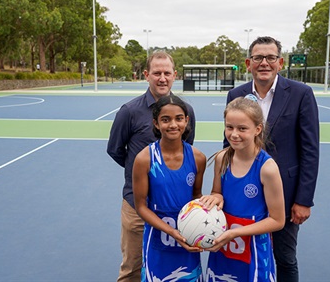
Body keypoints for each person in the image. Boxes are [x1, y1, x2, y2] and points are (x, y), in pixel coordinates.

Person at [225, 36, 320, 282]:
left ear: (280, 62)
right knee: (243, 254)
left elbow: (310, 149)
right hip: (243, 196)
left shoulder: (301, 94)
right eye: (258, 58)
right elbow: (229, 144)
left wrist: (303, 199)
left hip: (286, 196)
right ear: (249, 63)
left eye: (270, 58)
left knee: (285, 258)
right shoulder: (237, 94)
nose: (264, 63)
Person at [107, 51, 196, 281]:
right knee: (132, 268)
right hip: (138, 207)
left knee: (174, 268)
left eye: (167, 73)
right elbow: (116, 150)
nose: (162, 78)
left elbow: (186, 151)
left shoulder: (186, 111)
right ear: (147, 75)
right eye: (157, 73)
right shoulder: (130, 111)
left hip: (174, 207)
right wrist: (141, 174)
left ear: (174, 75)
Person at [200, 96, 285, 281]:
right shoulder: (222, 159)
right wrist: (216, 197)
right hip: (223, 248)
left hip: (253, 251)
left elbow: (278, 220)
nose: (234, 134)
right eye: (229, 127)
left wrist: (235, 232)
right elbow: (217, 192)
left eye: (242, 128)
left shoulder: (267, 168)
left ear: (258, 129)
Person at [133, 94, 206, 281]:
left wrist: (203, 225)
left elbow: (196, 195)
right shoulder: (144, 159)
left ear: (186, 121)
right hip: (158, 240)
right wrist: (171, 231)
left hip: (187, 238)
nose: (173, 125)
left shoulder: (198, 158)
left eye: (179, 119)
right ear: (156, 124)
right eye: (166, 120)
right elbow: (141, 206)